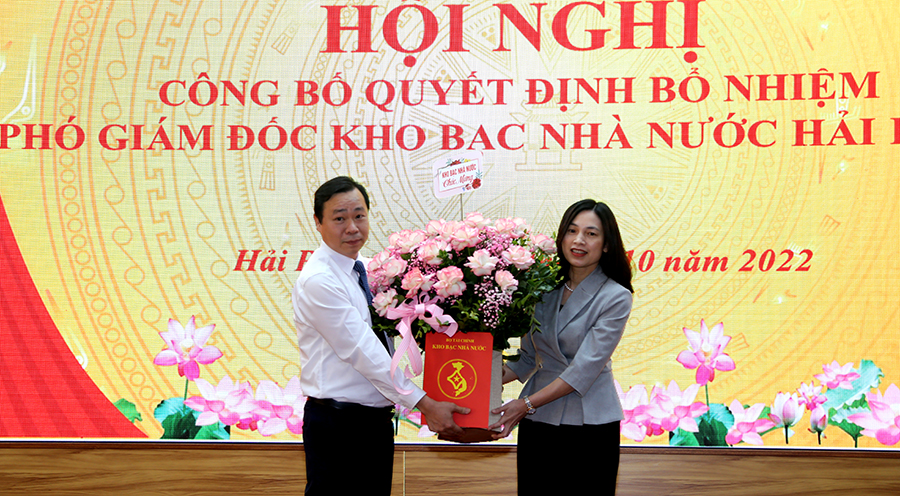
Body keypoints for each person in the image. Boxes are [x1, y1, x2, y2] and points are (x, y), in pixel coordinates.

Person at [293, 176, 469, 495]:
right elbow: (364, 351)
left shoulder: (368, 269)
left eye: (359, 215)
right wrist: (424, 403)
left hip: (375, 422)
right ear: (318, 222)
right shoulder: (319, 280)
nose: (352, 227)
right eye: (339, 218)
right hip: (337, 425)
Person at [489, 199, 634, 496]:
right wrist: (479, 379)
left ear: (607, 245)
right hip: (539, 421)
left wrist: (525, 405)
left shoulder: (616, 296)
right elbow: (527, 358)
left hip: (589, 425)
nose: (579, 240)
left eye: (591, 234)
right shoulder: (543, 289)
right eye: (572, 230)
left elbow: (583, 370)